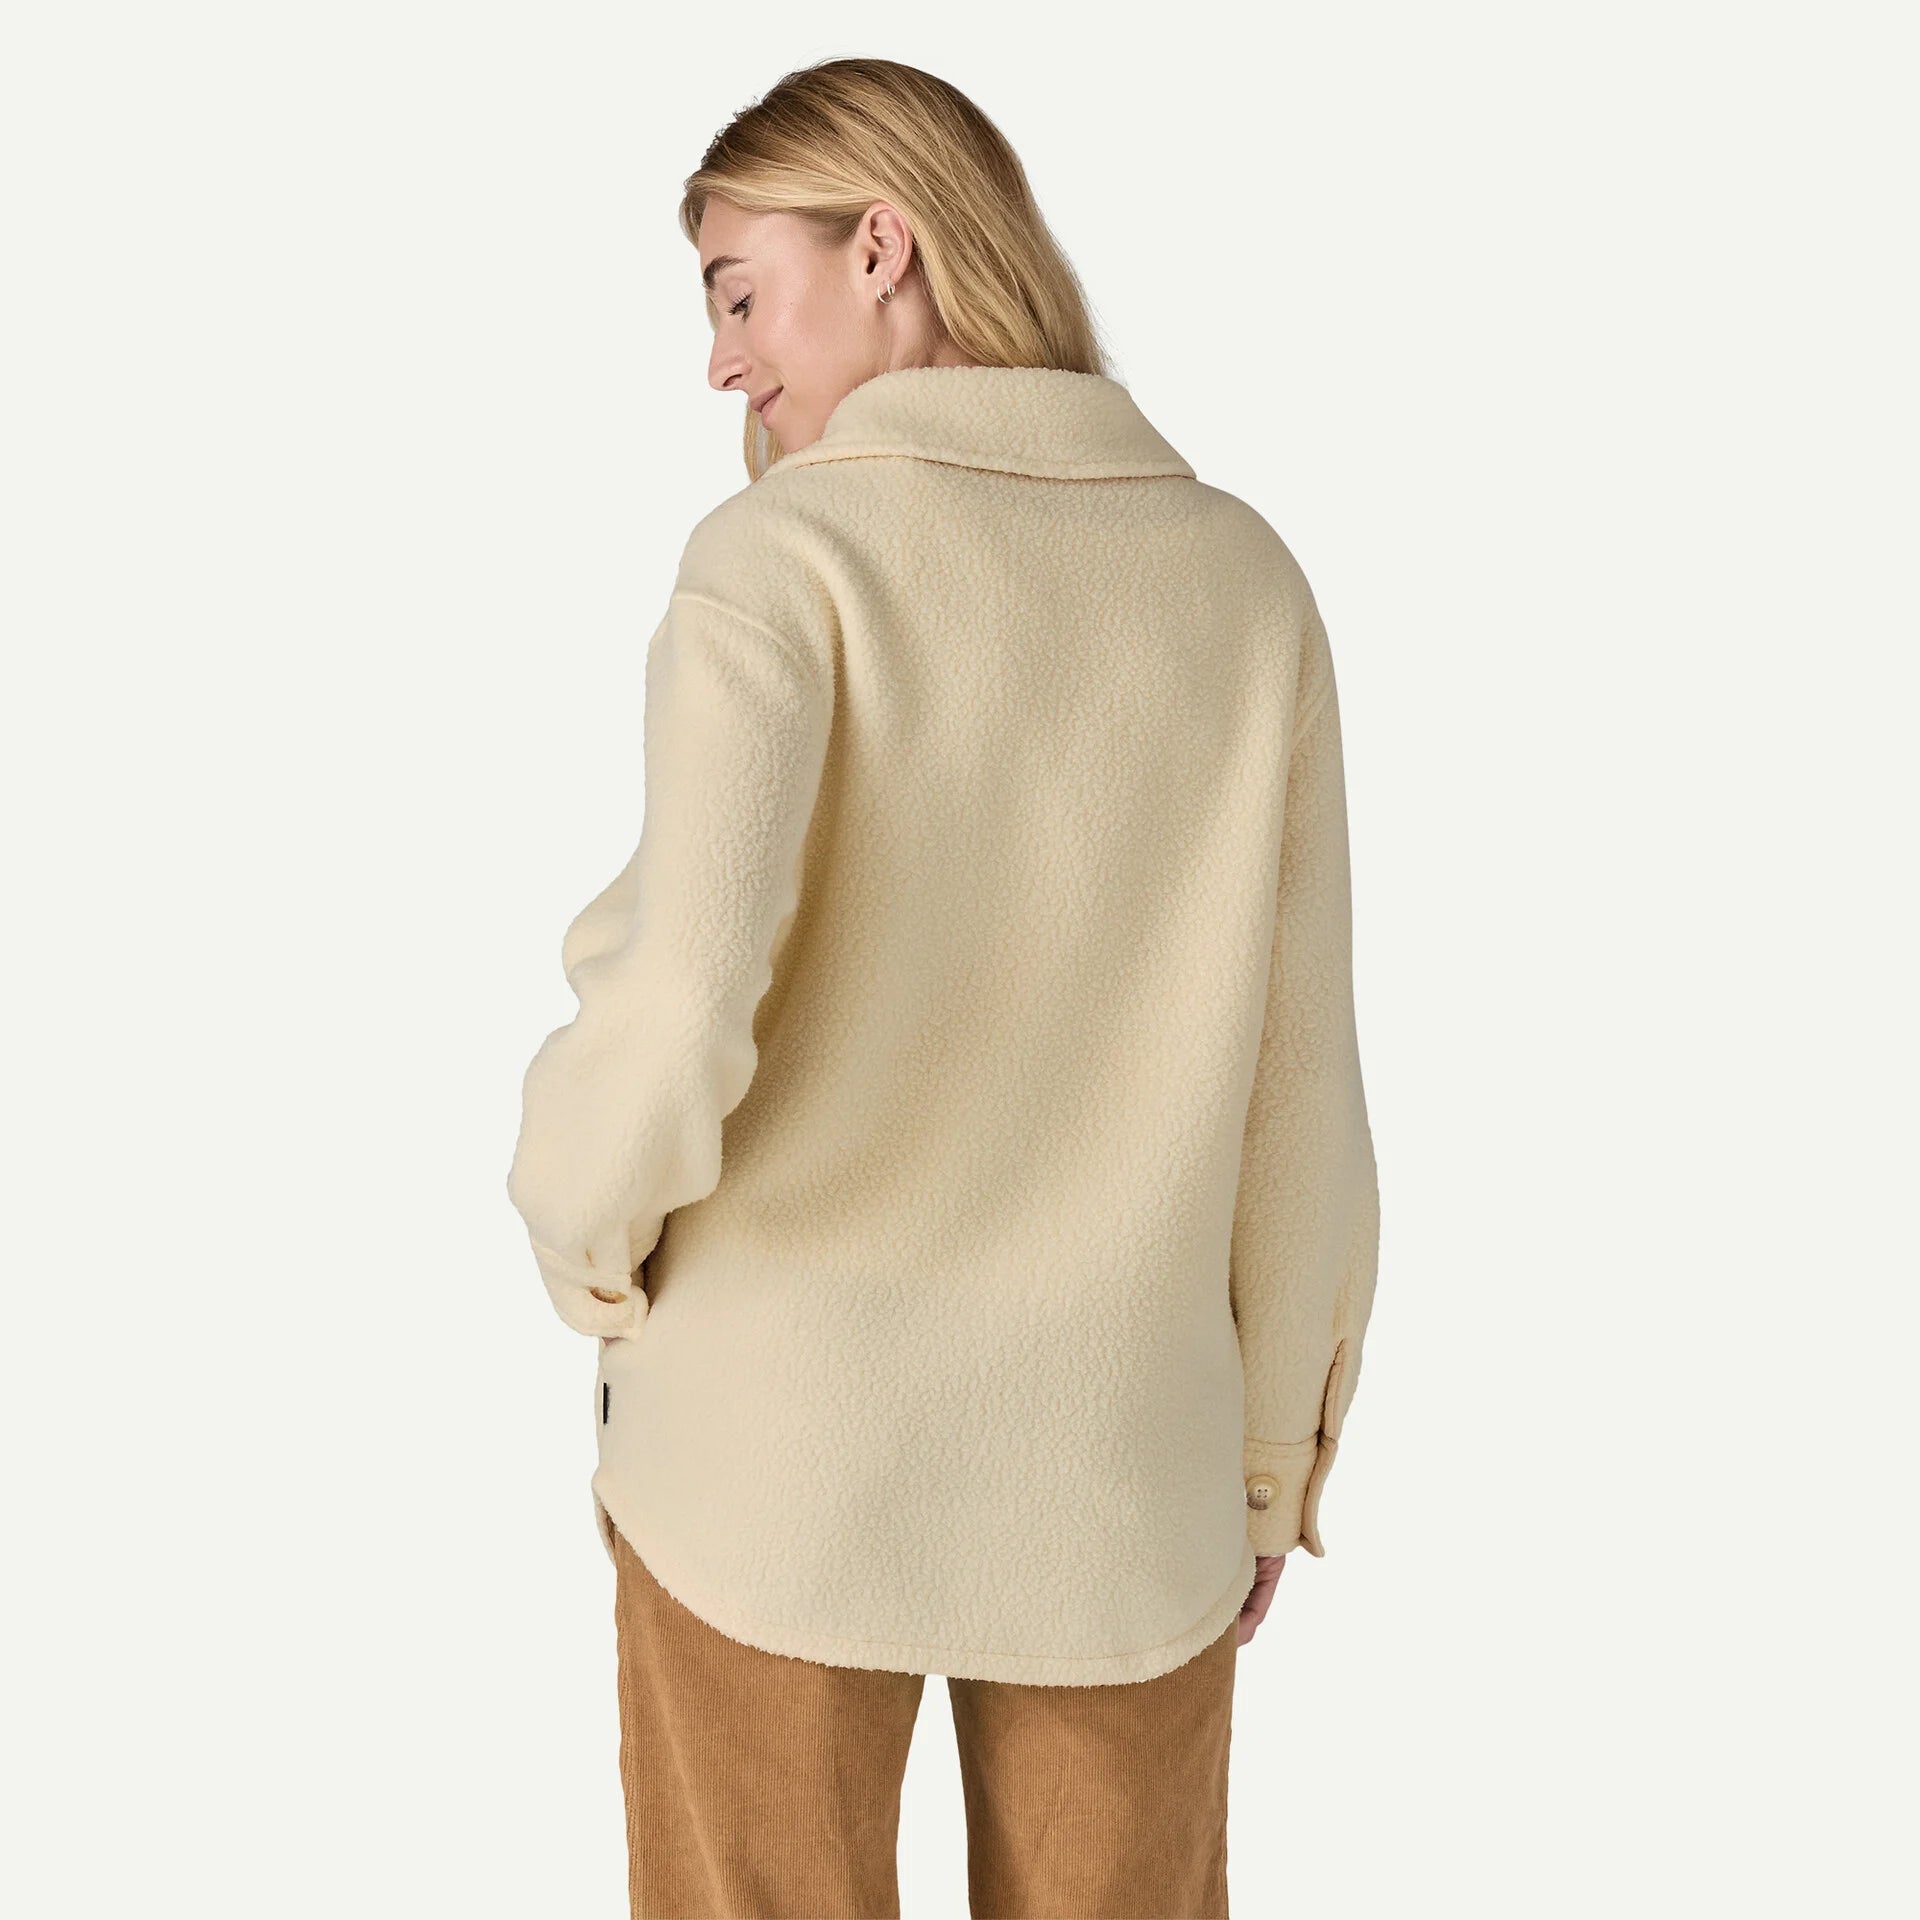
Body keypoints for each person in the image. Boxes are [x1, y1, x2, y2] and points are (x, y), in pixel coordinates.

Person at [506, 55, 1382, 1920]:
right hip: (1114, 1480)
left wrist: (582, 1237)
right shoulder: (1247, 588)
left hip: (771, 1457)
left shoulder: (782, 565)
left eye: (740, 293)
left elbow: (682, 1003)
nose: (722, 362)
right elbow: (1301, 1091)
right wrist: (1263, 1461)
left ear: (883, 245)